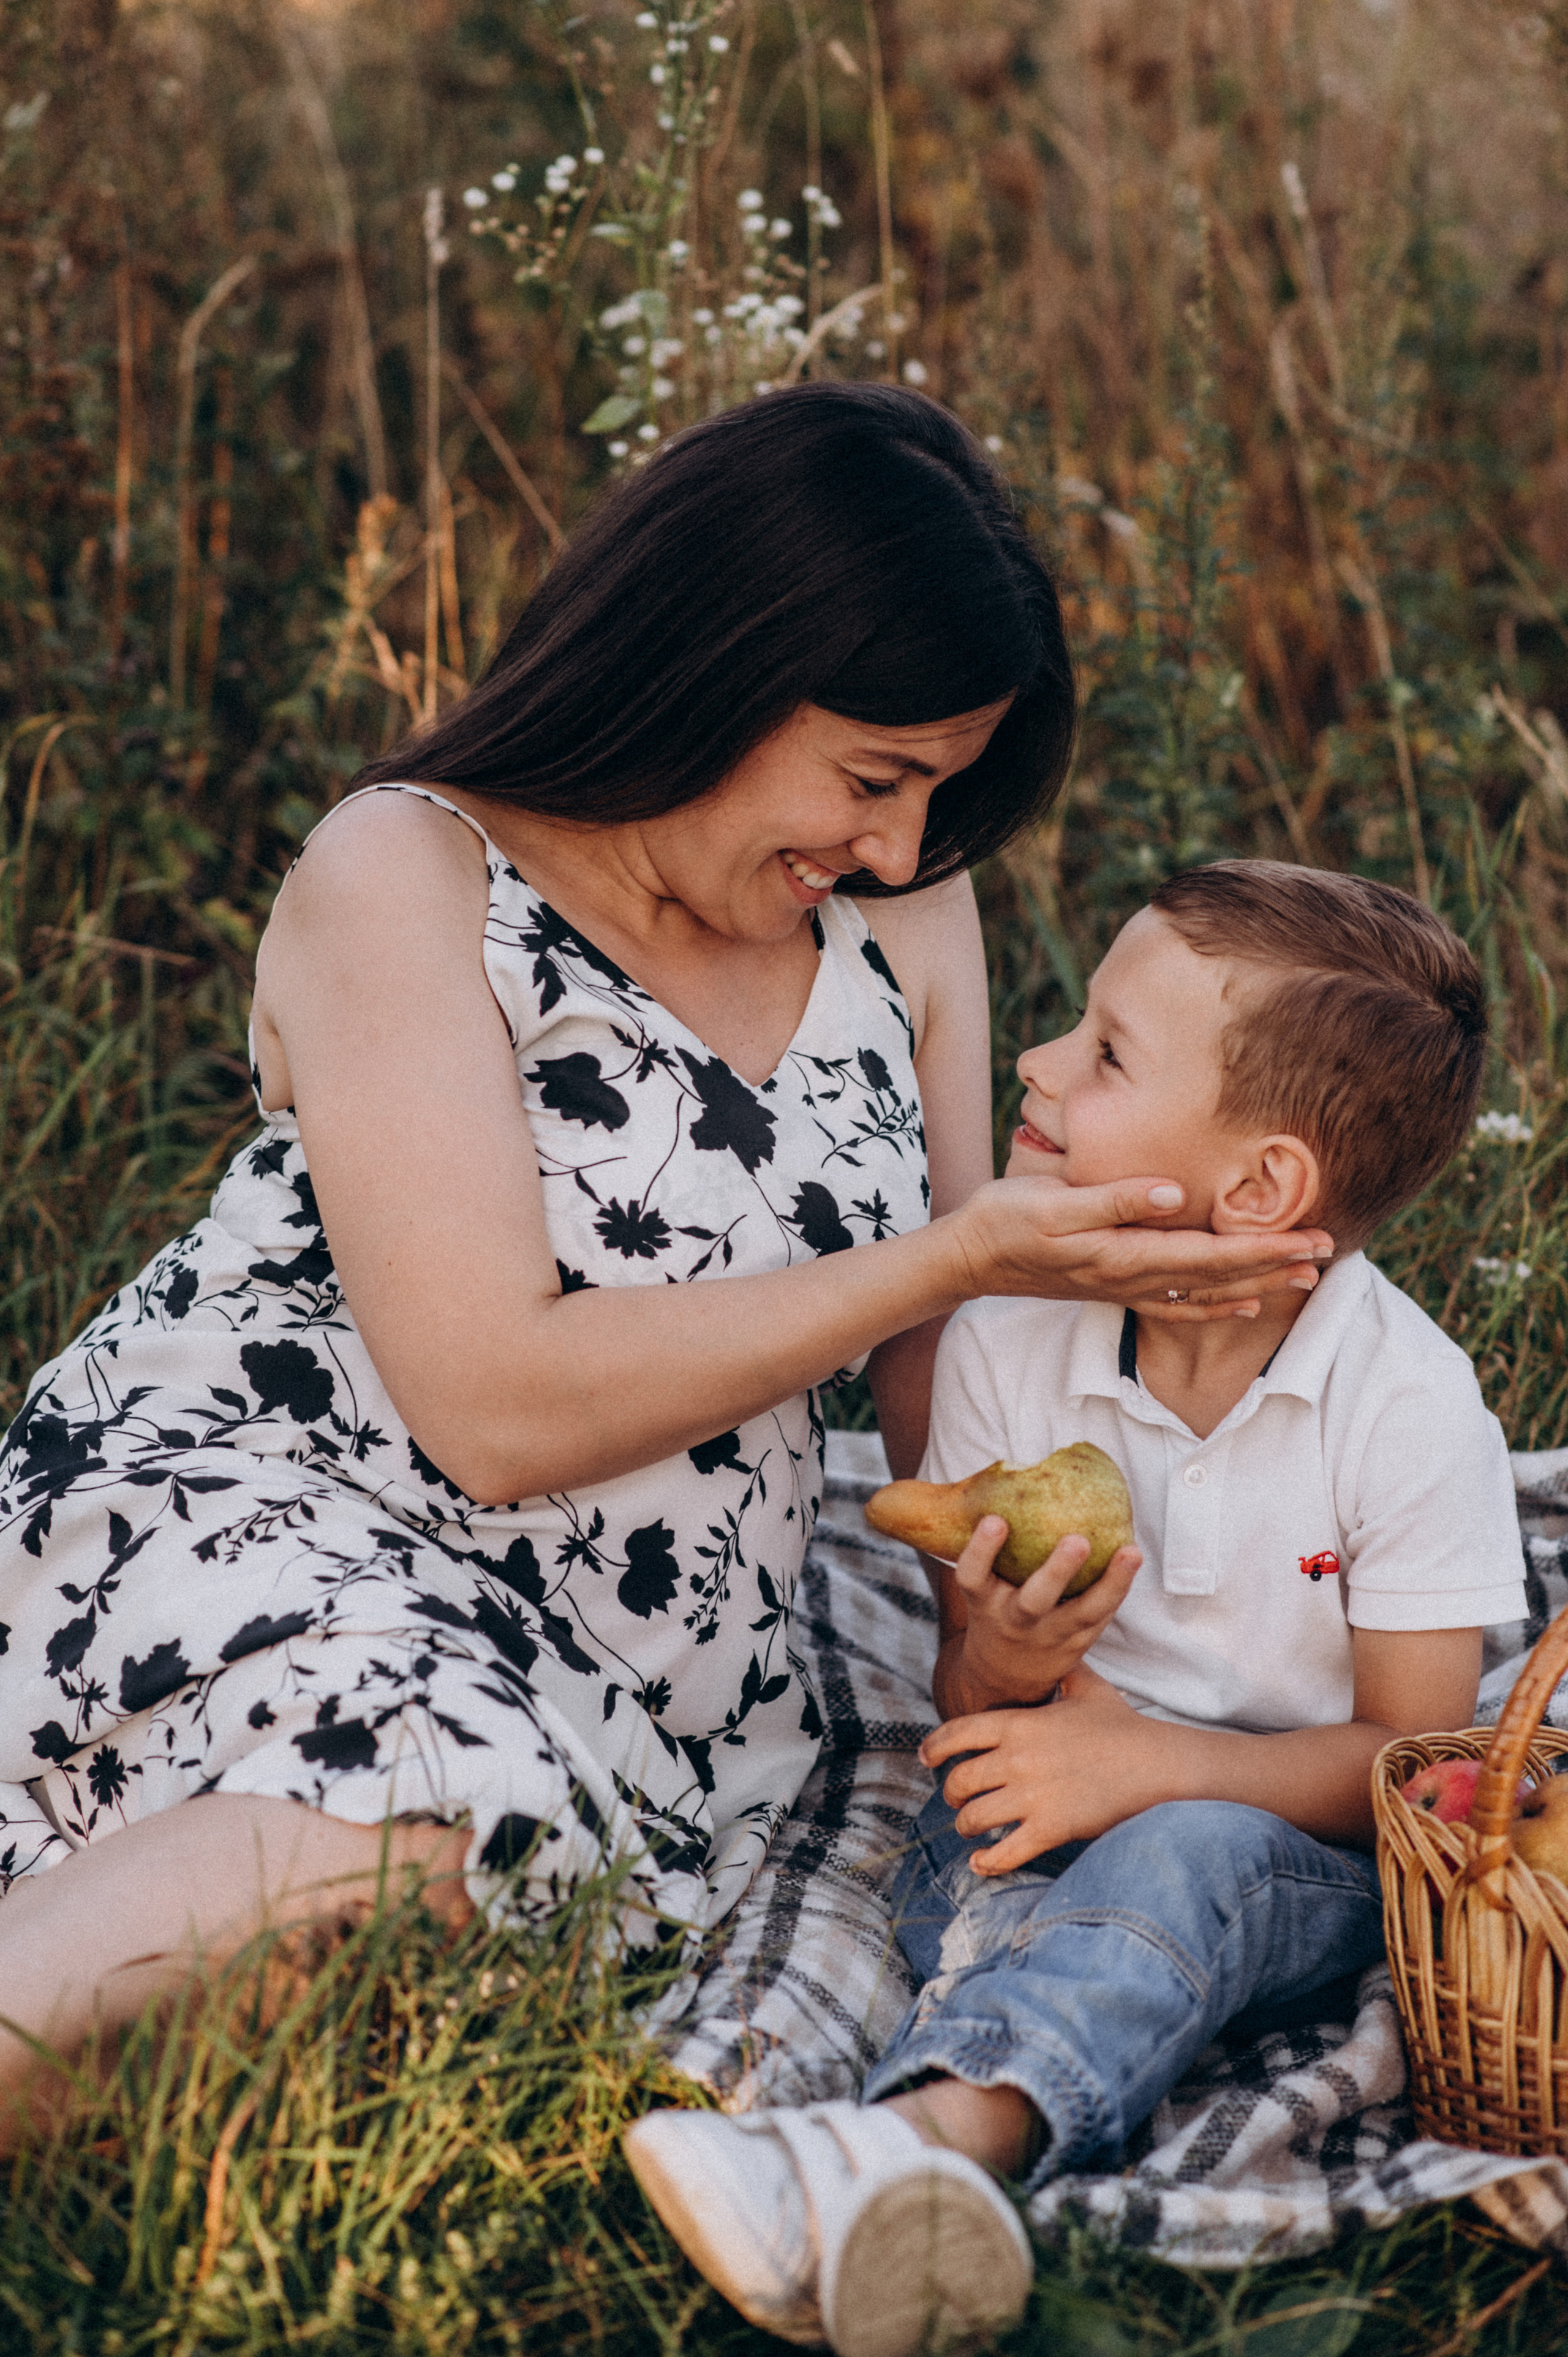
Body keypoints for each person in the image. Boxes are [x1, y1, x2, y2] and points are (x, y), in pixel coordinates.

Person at [0, 387, 1327, 2143]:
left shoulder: (900, 912)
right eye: (874, 777)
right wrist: (950, 1258)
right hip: (291, 1496)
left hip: (651, 1659)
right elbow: (489, 1407)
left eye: (935, 792)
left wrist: (1004, 1612)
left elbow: (938, 1392)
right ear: (722, 658)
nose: (901, 845)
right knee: (404, 1825)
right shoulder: (407, 872)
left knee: (419, 1961)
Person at [623, 860, 1529, 2357]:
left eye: (1104, 1051)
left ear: (1258, 1190)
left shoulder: (1405, 1406)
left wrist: (1153, 1765)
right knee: (988, 1877)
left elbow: (1414, 1764)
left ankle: (907, 2147)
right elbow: (970, 1702)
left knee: (1185, 1857)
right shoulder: (1005, 1336)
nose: (1035, 1062)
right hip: (1044, 1804)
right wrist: (1004, 1659)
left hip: (1287, 1840)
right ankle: (915, 2202)